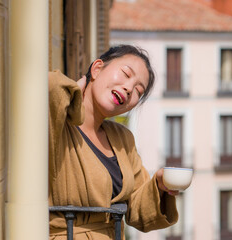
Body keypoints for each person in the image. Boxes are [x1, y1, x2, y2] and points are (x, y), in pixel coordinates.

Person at [48, 44, 179, 240]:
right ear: (97, 68)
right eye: (126, 74)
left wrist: (159, 185)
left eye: (138, 91)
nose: (128, 89)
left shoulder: (123, 139)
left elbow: (138, 211)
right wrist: (73, 91)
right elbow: (43, 85)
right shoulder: (59, 121)